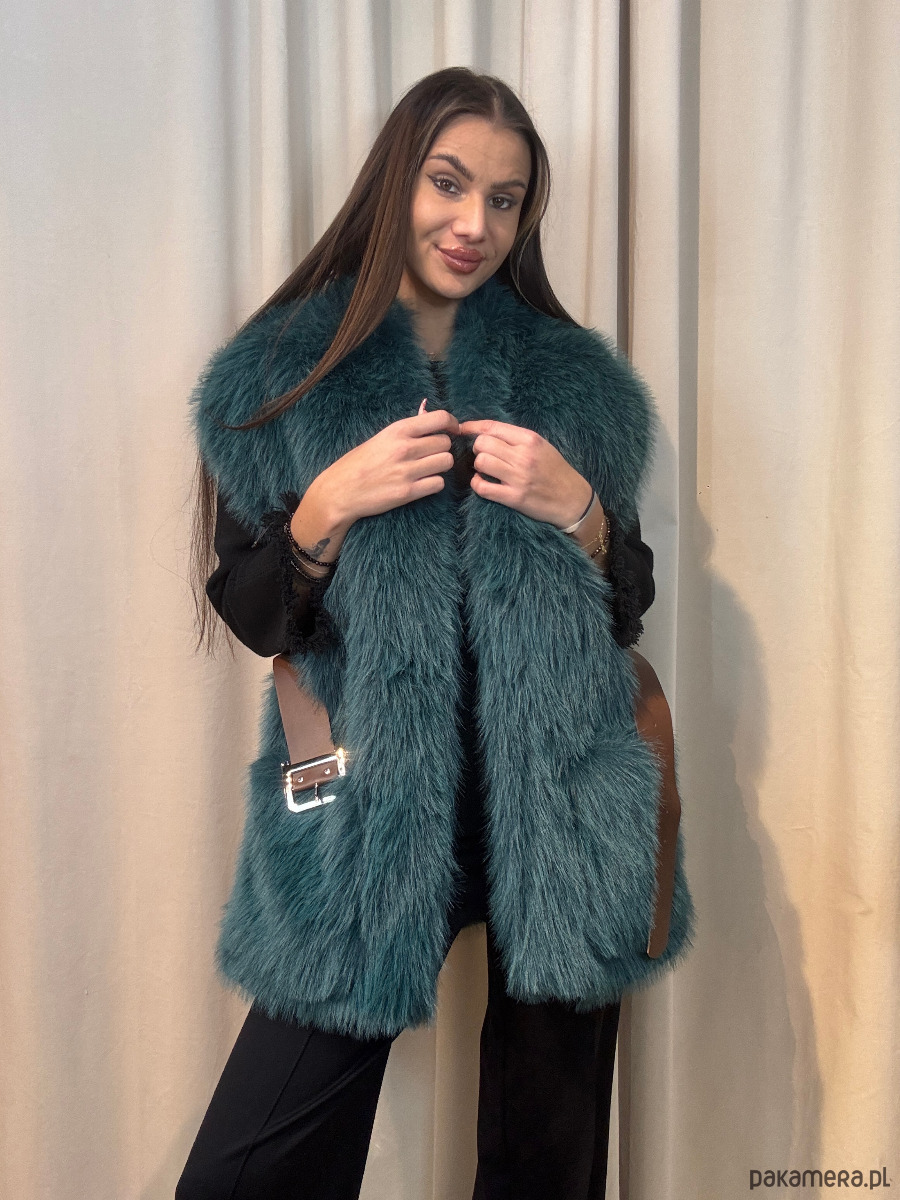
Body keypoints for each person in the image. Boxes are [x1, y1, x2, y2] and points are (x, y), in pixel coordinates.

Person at [179, 66, 694, 1200]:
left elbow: (628, 604)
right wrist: (327, 504)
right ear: (394, 181)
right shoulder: (282, 372)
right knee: (245, 1173)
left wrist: (582, 510)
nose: (474, 225)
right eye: (448, 183)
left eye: (504, 200)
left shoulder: (576, 382)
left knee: (545, 1167)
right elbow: (252, 610)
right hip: (365, 806)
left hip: (560, 802)